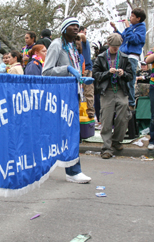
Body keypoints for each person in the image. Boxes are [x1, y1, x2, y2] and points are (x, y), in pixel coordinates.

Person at [43, 17, 91, 184]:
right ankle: (73, 171)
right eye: (72, 25)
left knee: (68, 134)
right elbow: (46, 71)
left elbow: (75, 71)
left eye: (78, 25)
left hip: (73, 94)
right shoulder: (57, 44)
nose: (76, 28)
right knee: (67, 134)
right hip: (60, 96)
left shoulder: (72, 46)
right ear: (63, 29)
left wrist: (81, 79)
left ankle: (71, 170)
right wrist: (67, 69)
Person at [92, 33, 133, 159]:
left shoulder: (125, 58)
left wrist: (124, 73)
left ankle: (117, 140)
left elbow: (131, 76)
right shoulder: (101, 57)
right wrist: (107, 73)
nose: (115, 49)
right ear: (108, 44)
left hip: (121, 90)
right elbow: (95, 75)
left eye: (118, 46)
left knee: (123, 117)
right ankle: (107, 148)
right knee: (106, 119)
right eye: (114, 46)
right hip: (107, 91)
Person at [110, 8, 147, 110]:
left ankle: (131, 103)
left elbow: (134, 39)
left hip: (132, 56)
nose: (130, 18)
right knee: (120, 77)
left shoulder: (141, 28)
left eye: (132, 16)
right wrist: (116, 29)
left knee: (129, 79)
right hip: (123, 55)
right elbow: (124, 38)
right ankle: (121, 100)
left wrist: (128, 27)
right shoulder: (130, 27)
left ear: (138, 18)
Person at [78, 26, 95, 119]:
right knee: (78, 91)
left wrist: (79, 35)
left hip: (87, 70)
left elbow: (83, 37)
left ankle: (91, 112)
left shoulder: (84, 43)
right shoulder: (73, 44)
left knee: (88, 92)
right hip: (77, 70)